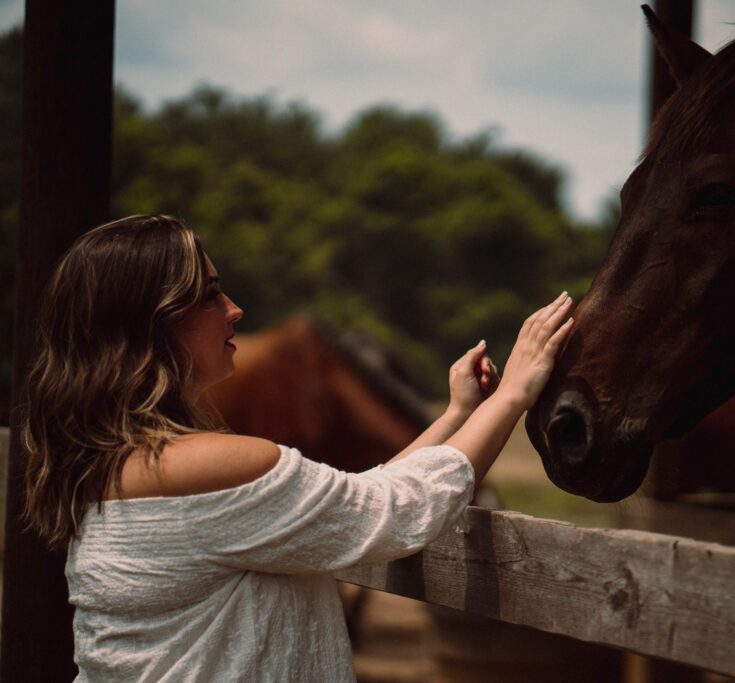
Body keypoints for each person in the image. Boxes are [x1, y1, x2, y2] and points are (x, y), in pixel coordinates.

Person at [20, 214, 574, 682]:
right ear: (156, 324)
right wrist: (513, 396)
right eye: (210, 294)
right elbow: (392, 510)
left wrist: (458, 414)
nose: (234, 309)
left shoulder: (104, 465)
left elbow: (353, 499)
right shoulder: (220, 464)